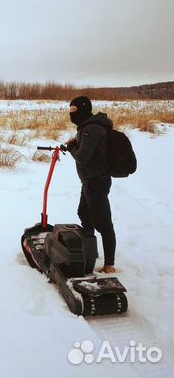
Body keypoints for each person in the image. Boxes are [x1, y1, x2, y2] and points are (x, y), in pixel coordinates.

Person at [63, 96, 116, 274]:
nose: (71, 114)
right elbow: (88, 149)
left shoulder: (91, 129)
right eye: (70, 110)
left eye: (74, 111)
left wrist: (72, 148)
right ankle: (89, 252)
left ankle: (109, 265)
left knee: (103, 223)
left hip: (96, 181)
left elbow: (83, 158)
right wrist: (73, 144)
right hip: (90, 181)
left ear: (84, 109)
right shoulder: (87, 127)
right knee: (84, 214)